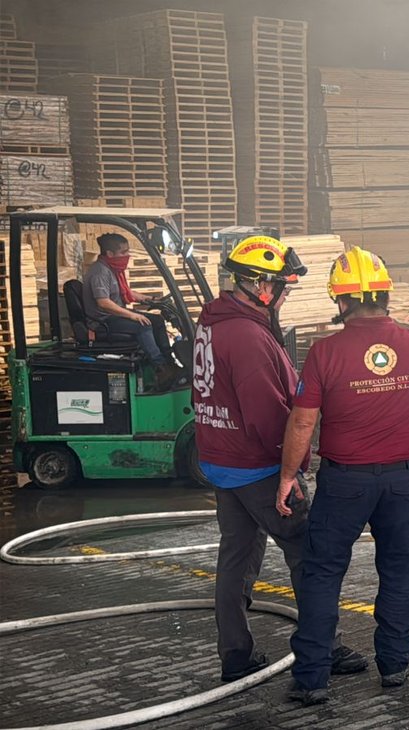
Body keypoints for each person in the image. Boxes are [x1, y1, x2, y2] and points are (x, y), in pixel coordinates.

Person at [277, 246, 409, 705]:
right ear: (384, 295)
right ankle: (394, 667)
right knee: (399, 571)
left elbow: (303, 422)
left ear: (341, 301)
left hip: (344, 482)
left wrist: (288, 475)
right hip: (402, 483)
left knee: (324, 574)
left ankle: (311, 680)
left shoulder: (325, 352)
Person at [193, 235, 367, 682]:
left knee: (236, 557)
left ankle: (234, 654)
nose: (286, 294)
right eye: (283, 287)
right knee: (307, 554)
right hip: (260, 467)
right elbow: (271, 416)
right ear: (259, 286)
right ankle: (322, 649)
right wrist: (292, 469)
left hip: (221, 459)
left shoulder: (213, 322)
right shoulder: (249, 336)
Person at [83, 232, 179, 386]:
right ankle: (160, 368)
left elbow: (125, 292)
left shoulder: (113, 270)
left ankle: (169, 362)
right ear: (109, 253)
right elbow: (104, 302)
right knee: (143, 324)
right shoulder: (100, 272)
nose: (127, 255)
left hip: (113, 316)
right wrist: (132, 316)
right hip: (103, 321)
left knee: (158, 320)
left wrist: (151, 299)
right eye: (123, 252)